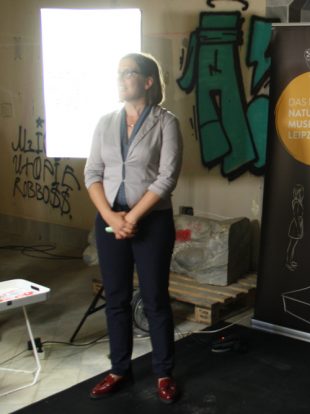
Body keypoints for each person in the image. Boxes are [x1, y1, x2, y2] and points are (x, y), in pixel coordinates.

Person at [84, 52, 183, 404]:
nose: (121, 78)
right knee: (116, 299)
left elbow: (167, 177)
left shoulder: (165, 123)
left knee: (155, 299)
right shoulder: (105, 122)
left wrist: (132, 218)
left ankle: (163, 373)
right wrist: (112, 218)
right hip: (110, 220)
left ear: (148, 81)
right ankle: (119, 370)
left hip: (152, 221)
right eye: (118, 73)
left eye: (128, 73)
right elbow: (92, 173)